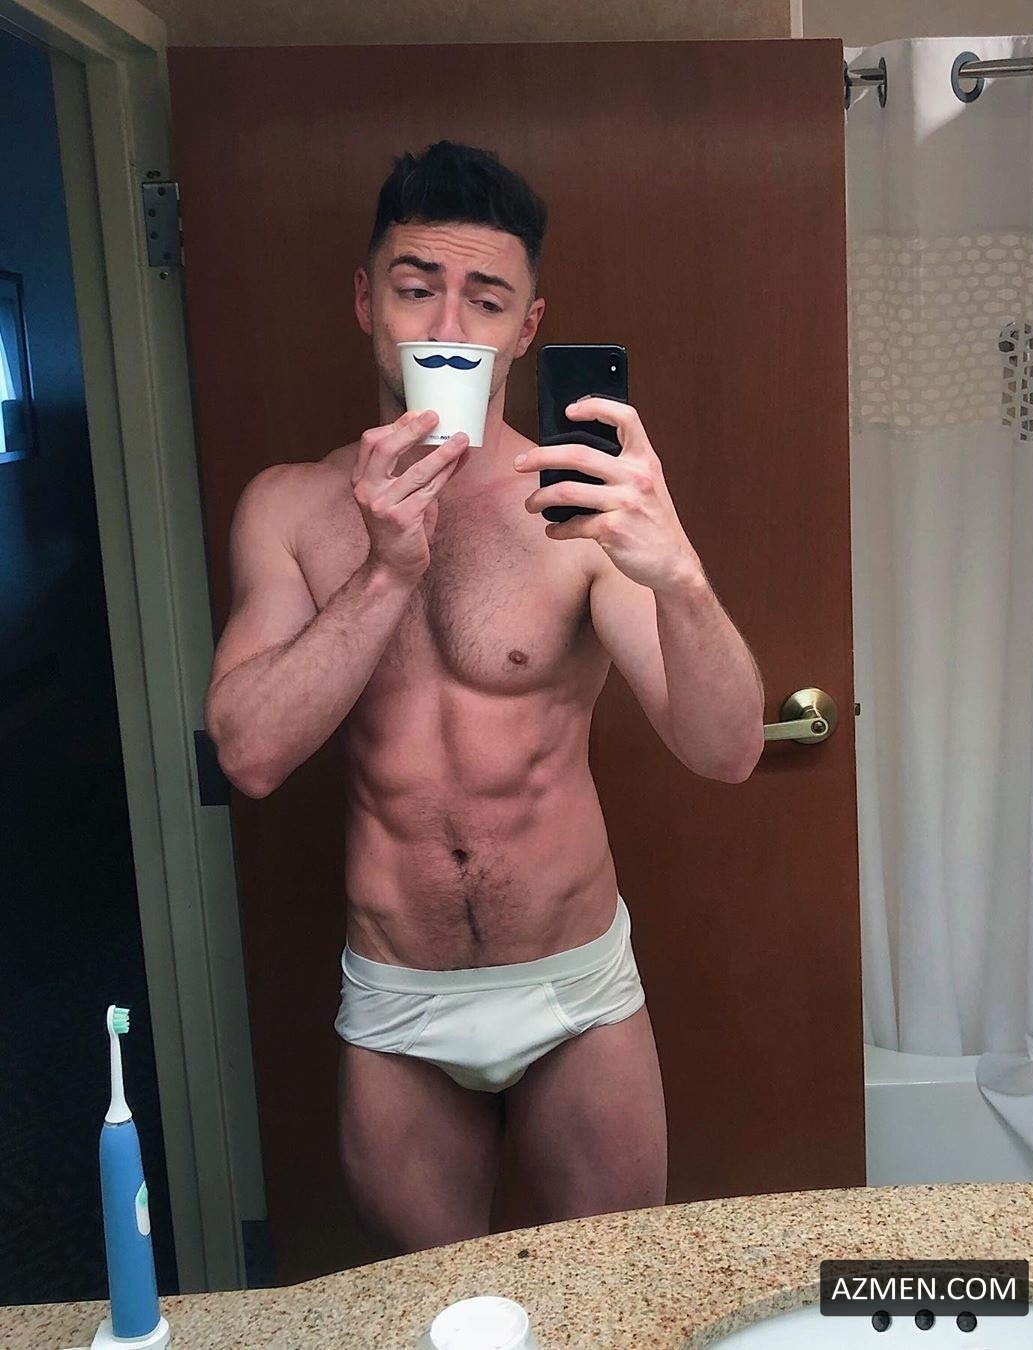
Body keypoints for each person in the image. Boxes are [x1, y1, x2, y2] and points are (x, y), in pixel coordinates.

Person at [204, 140, 764, 1258]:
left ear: (526, 326)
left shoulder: (579, 510)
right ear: (366, 301)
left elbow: (727, 750)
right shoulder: (290, 509)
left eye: (487, 299)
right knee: (443, 1313)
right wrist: (385, 572)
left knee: (607, 1300)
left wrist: (680, 576)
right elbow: (249, 755)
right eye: (417, 288)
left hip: (573, 989)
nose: (448, 325)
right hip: (400, 1000)